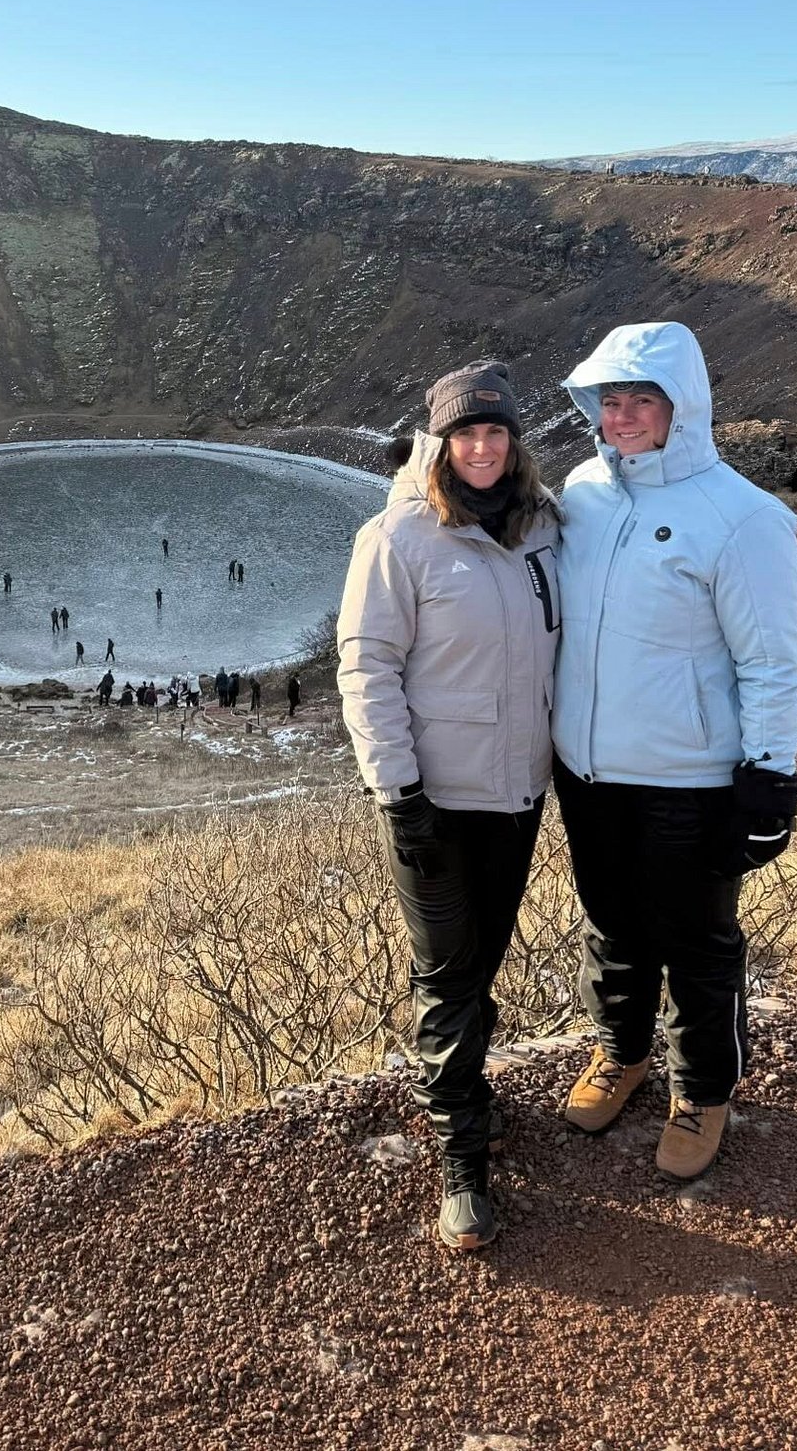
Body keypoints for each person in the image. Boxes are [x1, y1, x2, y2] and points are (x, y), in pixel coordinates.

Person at [552, 322, 797, 1182]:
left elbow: (772, 661)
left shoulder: (743, 517)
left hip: (689, 778)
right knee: (614, 926)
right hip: (588, 770)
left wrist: (769, 779)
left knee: (697, 939)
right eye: (608, 401)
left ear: (681, 408)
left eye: (641, 401)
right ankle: (621, 1052)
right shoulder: (582, 490)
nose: (621, 417)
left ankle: (703, 1088)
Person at [338, 359, 560, 1252]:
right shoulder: (398, 538)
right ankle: (461, 1157)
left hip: (518, 794)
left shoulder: (544, 529)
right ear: (439, 442)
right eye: (466, 432)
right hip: (432, 801)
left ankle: (472, 1093)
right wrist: (399, 796)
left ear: (514, 442)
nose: (482, 446)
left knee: (483, 963)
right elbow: (366, 669)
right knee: (445, 979)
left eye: (496, 431)